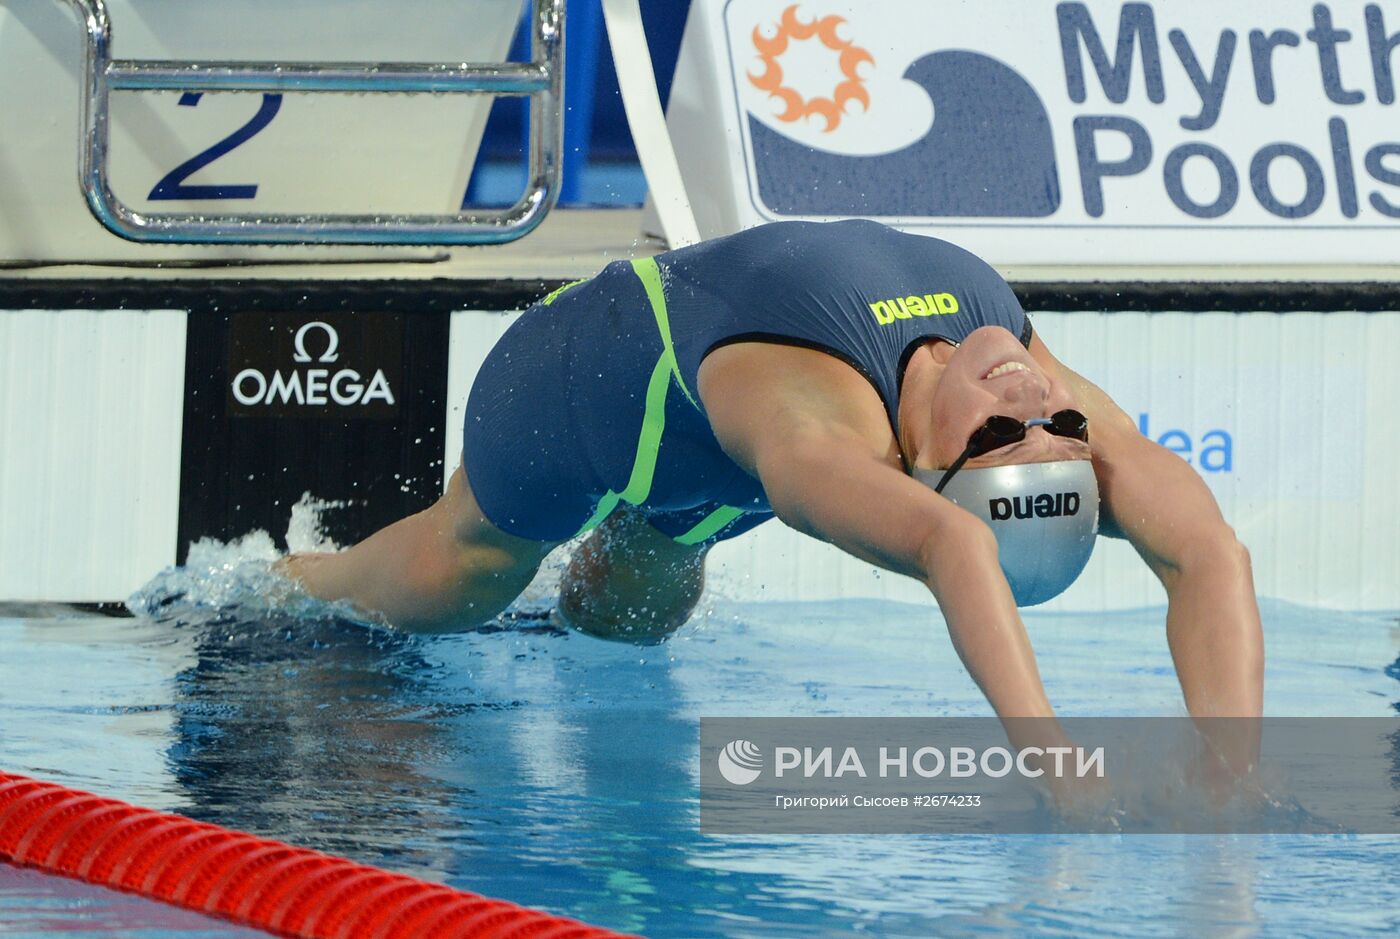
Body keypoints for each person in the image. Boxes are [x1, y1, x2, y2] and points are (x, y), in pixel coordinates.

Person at [283, 220, 1263, 766]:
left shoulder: (819, 437)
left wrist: (1054, 767)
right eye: (1058, 434)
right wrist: (1224, 772)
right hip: (578, 380)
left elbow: (952, 547)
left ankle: (295, 585)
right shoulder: (1035, 391)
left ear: (925, 472)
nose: (1035, 399)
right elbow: (1206, 550)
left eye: (1006, 435)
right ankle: (300, 583)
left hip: (709, 438)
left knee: (629, 603)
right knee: (473, 563)